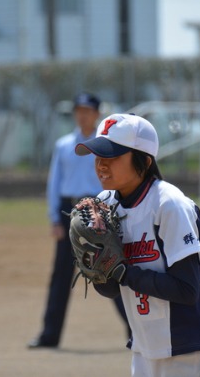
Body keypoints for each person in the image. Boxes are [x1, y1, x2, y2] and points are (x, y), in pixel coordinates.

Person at [74, 113, 200, 376]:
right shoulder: (105, 205)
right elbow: (112, 289)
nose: (101, 165)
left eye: (111, 157)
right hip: (144, 348)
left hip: (189, 347)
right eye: (98, 156)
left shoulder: (169, 205)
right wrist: (98, 269)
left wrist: (125, 272)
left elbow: (187, 289)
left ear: (144, 161)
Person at [28, 92, 131, 349]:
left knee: (109, 268)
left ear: (97, 114)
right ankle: (49, 336)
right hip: (68, 210)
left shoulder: (105, 143)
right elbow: (55, 182)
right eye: (78, 110)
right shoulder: (63, 145)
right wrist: (54, 218)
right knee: (61, 274)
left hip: (99, 209)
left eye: (87, 110)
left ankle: (136, 330)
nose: (82, 114)